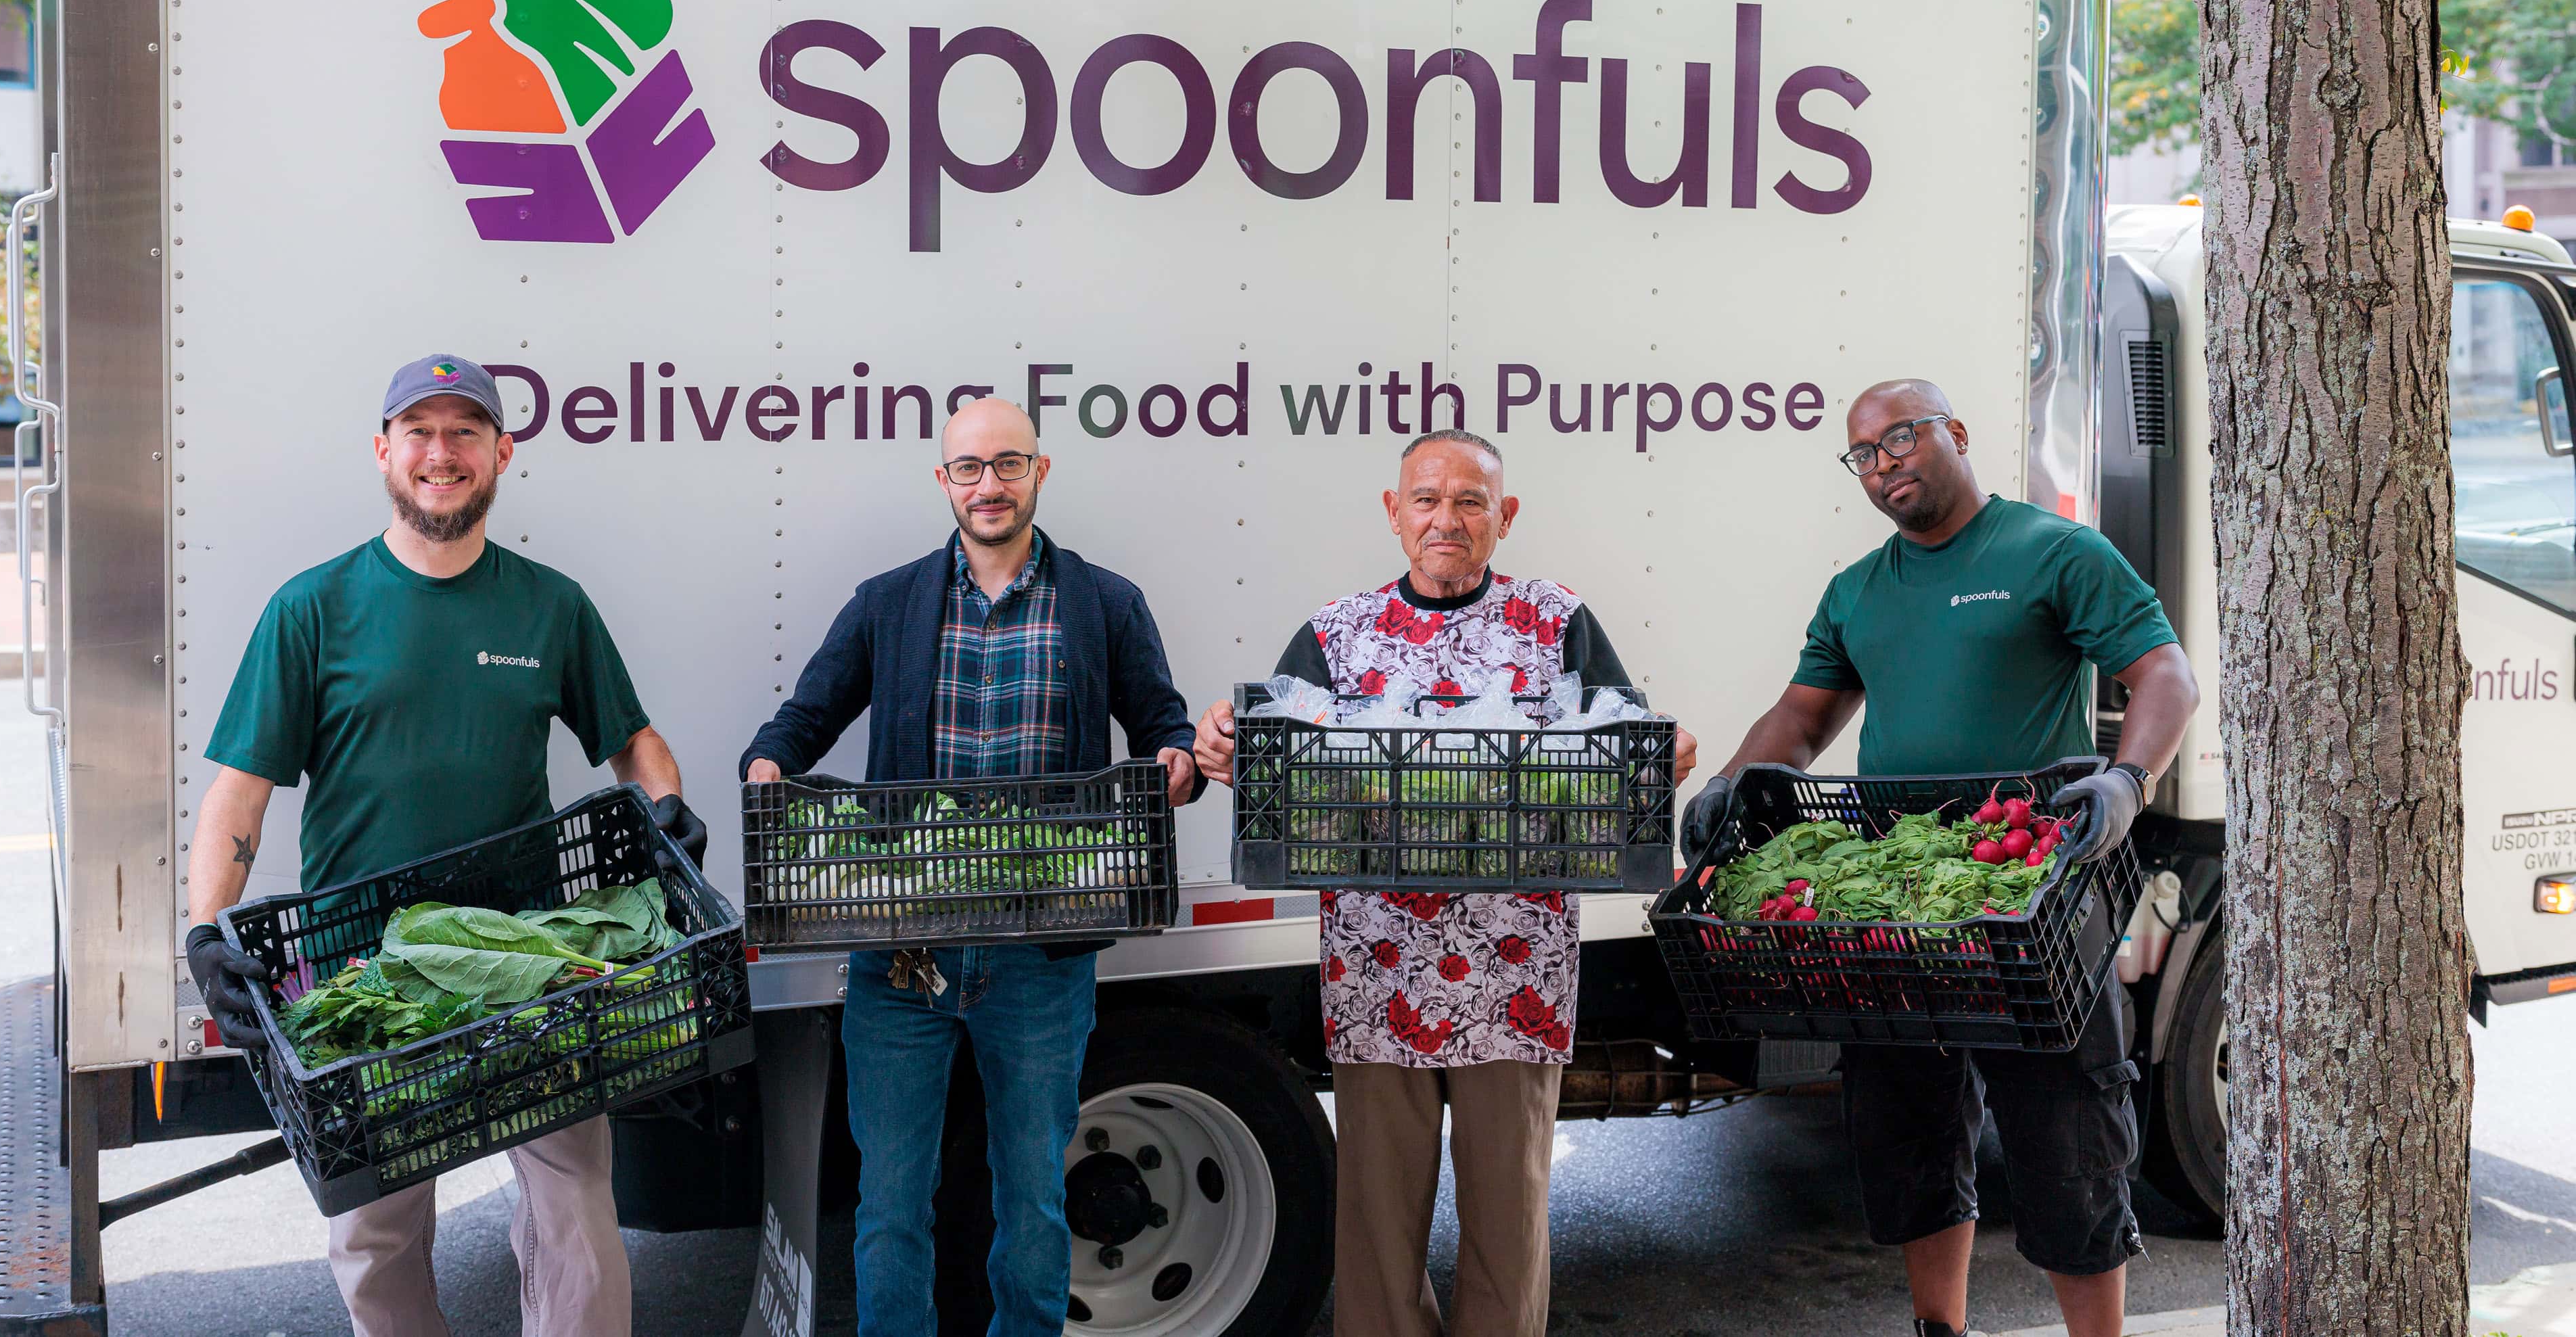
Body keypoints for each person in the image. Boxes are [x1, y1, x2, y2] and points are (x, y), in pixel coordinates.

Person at [183, 354, 705, 1337]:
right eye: (418, 431)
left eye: (465, 431)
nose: (441, 452)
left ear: (501, 453)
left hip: (529, 962)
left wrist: (667, 807)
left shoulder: (549, 605)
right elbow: (239, 793)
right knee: (375, 1234)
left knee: (577, 1218)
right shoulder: (315, 607)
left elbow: (633, 745)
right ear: (384, 452)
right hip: (362, 970)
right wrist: (207, 931)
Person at [1687, 378, 2198, 1337]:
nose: (1885, 466)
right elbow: (1802, 719)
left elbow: (2163, 670)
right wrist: (1729, 784)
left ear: (1955, 434)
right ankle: (1941, 1330)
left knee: (2067, 1140)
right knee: (1911, 1135)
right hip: (1905, 905)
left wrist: (2129, 781)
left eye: (1902, 439)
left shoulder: (2052, 552)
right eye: (1865, 456)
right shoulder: (1858, 591)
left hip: (2033, 899)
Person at [1191, 429, 1693, 1337]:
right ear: (1394, 514)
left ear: (1504, 518)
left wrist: (1663, 753)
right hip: (1378, 971)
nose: (1446, 518)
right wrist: (1227, 740)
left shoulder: (1557, 621)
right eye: (1426, 499)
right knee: (1378, 1224)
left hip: (1518, 973)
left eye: (1470, 501)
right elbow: (1268, 755)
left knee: (1510, 1216)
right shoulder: (1336, 634)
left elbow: (1629, 743)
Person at [740, 395, 1200, 1337]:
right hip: (904, 950)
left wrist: (1177, 769)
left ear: (1040, 471)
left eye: (1007, 465)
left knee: (1031, 1197)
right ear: (942, 480)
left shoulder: (1106, 602)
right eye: (968, 468)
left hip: (1042, 954)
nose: (987, 485)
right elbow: (803, 718)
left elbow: (1166, 733)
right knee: (891, 1205)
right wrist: (767, 765)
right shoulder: (889, 603)